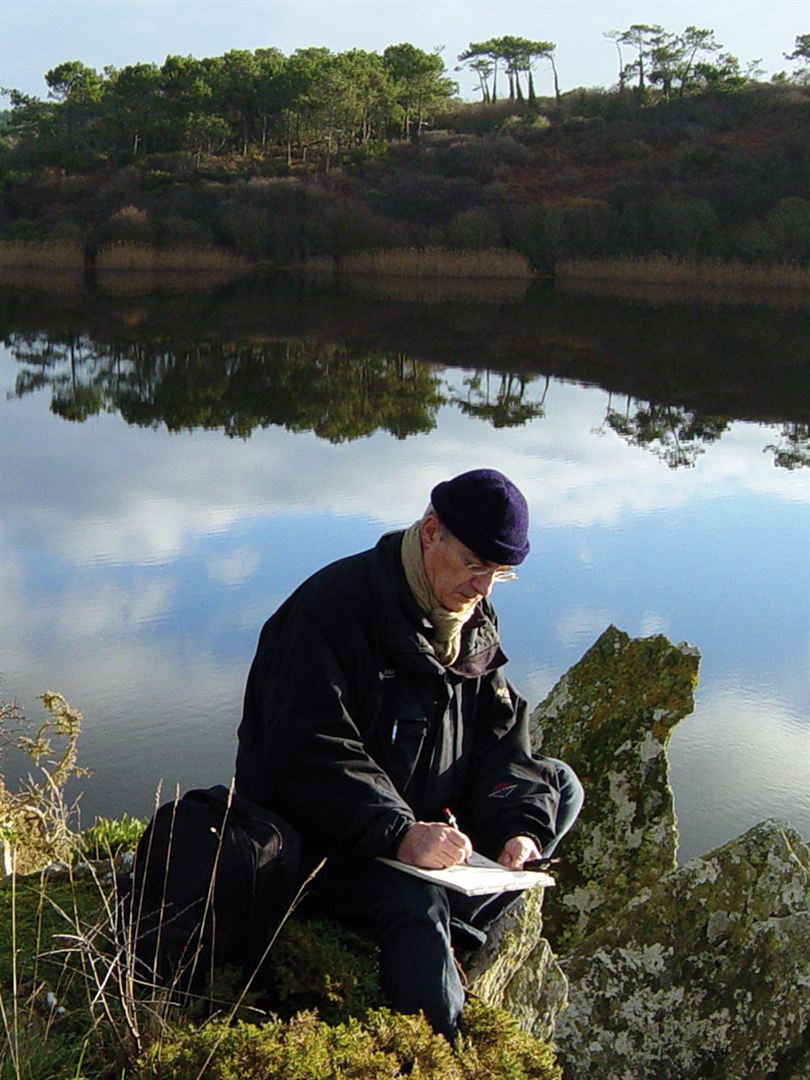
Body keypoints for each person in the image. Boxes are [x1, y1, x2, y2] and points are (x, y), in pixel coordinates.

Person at [235, 468, 583, 1041]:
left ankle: (455, 918)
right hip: (327, 839)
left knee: (559, 786)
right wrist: (399, 833)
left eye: (500, 574)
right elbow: (307, 753)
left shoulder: (469, 618)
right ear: (430, 532)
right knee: (414, 897)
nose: (483, 588)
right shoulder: (331, 610)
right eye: (474, 565)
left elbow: (501, 739)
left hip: (422, 823)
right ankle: (438, 1049)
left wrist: (517, 828)